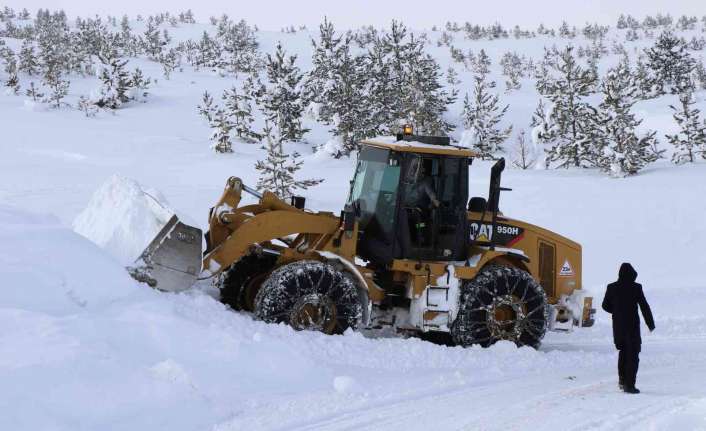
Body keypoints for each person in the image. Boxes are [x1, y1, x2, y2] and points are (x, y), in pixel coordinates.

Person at [602, 263, 655, 394]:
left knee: (623, 352)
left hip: (618, 326)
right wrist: (650, 323)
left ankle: (622, 380)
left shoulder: (611, 287)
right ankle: (629, 385)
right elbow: (644, 306)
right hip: (632, 327)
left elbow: (605, 306)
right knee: (633, 354)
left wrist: (616, 311)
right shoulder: (636, 287)